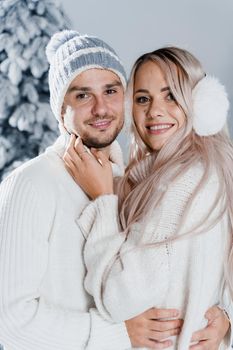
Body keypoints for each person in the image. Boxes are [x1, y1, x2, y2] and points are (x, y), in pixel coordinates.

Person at [0, 30, 192, 350]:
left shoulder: (132, 183)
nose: (101, 108)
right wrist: (119, 334)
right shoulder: (31, 184)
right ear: (61, 110)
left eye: (110, 90)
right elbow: (9, 322)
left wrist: (223, 317)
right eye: (82, 95)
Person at [64, 46, 233, 349]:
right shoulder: (206, 168)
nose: (155, 110)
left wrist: (102, 200)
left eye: (171, 96)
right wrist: (227, 317)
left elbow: (120, 298)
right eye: (143, 99)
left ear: (198, 103)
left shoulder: (182, 183)